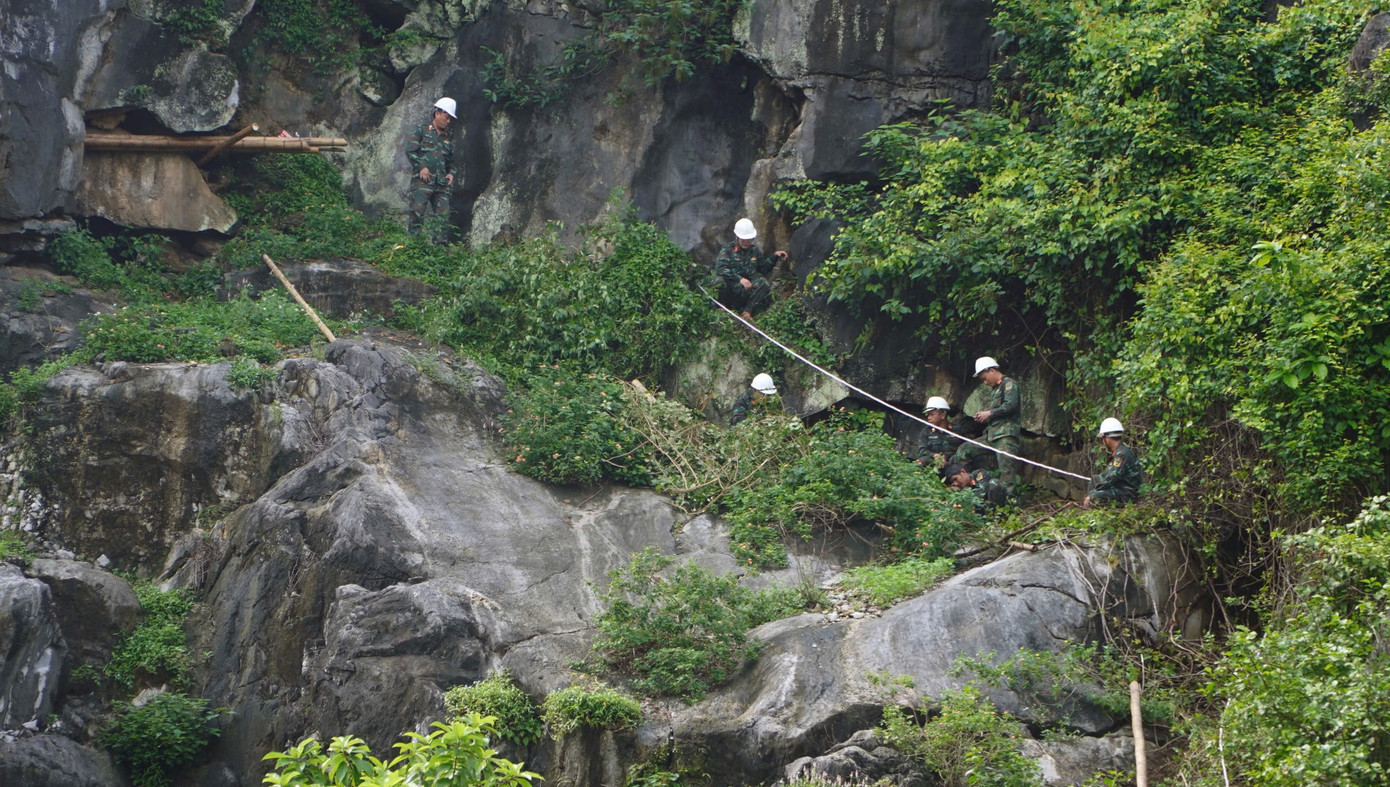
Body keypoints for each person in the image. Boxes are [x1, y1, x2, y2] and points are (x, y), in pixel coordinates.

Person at [406, 97, 457, 240]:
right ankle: (413, 247)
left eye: (450, 119)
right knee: (417, 214)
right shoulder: (422, 131)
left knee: (443, 217)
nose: (448, 121)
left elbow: (451, 161)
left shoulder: (448, 138)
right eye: (447, 117)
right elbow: (410, 150)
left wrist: (451, 174)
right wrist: (421, 167)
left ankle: (439, 250)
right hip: (423, 182)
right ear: (438, 113)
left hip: (441, 184)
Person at [715, 218, 787, 319]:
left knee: (763, 283)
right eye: (743, 239)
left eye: (748, 239)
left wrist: (774, 256)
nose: (746, 242)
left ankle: (747, 312)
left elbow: (764, 268)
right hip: (731, 288)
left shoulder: (754, 251)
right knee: (719, 281)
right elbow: (721, 269)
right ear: (737, 237)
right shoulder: (728, 249)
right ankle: (721, 308)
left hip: (747, 291)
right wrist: (739, 279)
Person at [970, 356, 1022, 494]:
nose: (985, 382)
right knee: (964, 450)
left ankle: (1010, 505)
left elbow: (1010, 405)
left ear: (991, 370)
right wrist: (984, 417)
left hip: (1005, 435)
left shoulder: (1009, 384)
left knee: (1007, 472)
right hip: (991, 436)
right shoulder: (995, 390)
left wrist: (989, 413)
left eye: (984, 378)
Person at [1083, 417, 1142, 508]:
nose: (1102, 442)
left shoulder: (1122, 455)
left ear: (1107, 438)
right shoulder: (1121, 451)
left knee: (1094, 498)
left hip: (1126, 494)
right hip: (1120, 490)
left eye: (1102, 438)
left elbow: (1110, 478)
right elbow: (1106, 475)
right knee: (1094, 480)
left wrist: (1091, 496)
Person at [916, 396, 962, 469]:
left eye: (932, 414)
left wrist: (945, 457)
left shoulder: (957, 430)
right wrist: (935, 455)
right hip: (933, 463)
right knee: (920, 462)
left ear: (942, 415)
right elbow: (922, 451)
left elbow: (963, 449)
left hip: (952, 464)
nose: (929, 418)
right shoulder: (926, 431)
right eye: (928, 414)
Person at [943, 462, 1007, 512]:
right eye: (953, 482)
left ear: (963, 472)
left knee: (994, 483)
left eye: (956, 479)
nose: (956, 483)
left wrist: (963, 494)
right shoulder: (962, 488)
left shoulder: (979, 474)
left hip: (1006, 505)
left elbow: (981, 493)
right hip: (985, 513)